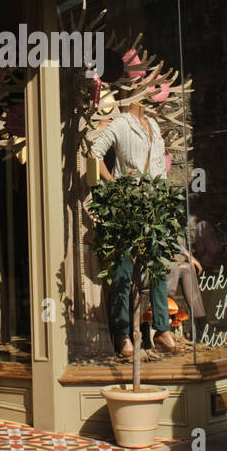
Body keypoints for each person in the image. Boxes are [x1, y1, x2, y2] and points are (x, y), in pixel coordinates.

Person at [89, 99, 178, 356]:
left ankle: (163, 329)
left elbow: (159, 165)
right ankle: (121, 333)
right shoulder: (119, 124)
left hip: (154, 205)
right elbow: (94, 153)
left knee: (158, 266)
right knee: (124, 271)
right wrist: (115, 184)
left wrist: (163, 199)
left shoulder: (152, 124)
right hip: (128, 207)